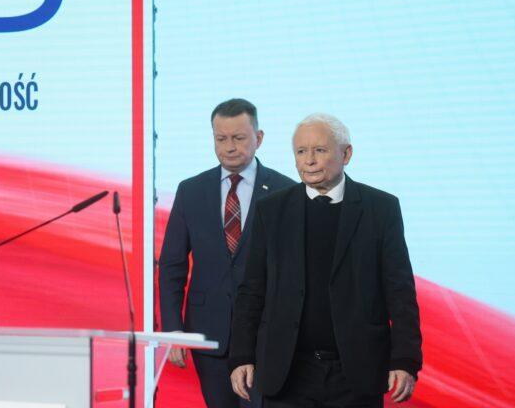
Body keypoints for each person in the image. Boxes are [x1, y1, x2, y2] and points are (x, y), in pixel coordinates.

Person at [229, 114, 422, 408]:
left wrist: (405, 359)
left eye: (319, 150)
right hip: (287, 373)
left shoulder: (381, 209)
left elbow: (400, 292)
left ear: (346, 154)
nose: (309, 160)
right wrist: (242, 355)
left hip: (356, 373)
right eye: (301, 151)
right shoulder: (272, 210)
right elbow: (252, 290)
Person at [158, 98, 296, 408]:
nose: (229, 147)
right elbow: (171, 266)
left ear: (258, 138)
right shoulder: (191, 191)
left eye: (238, 138)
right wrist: (172, 329)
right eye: (221, 139)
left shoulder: (285, 192)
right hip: (208, 333)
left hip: (264, 337)